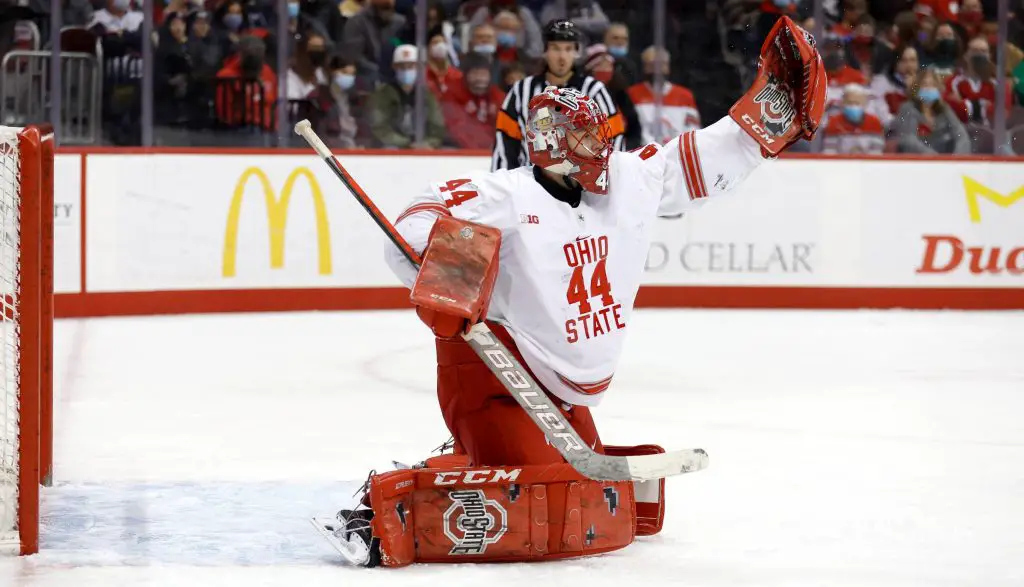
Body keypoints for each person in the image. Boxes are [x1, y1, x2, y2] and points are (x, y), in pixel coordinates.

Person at [314, 16, 826, 569]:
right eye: (585, 134)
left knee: (585, 488)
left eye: (598, 131)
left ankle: (468, 459)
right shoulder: (500, 196)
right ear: (551, 144)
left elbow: (699, 156)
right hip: (495, 380)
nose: (599, 143)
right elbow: (414, 221)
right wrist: (451, 272)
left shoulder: (629, 180)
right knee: (557, 500)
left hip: (560, 389)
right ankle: (380, 510)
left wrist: (773, 113)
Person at [492, 19, 626, 170]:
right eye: (555, 48)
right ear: (545, 51)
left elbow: (614, 141)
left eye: (568, 49)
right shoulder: (521, 90)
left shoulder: (595, 91)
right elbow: (505, 144)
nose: (562, 57)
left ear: (576, 52)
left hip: (582, 188)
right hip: (531, 184)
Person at [369, 44, 445, 149]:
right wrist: (406, 144)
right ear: (394, 67)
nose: (406, 70)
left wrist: (429, 143)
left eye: (411, 66)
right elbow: (379, 127)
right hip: (393, 147)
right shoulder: (382, 94)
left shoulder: (426, 94)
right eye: (401, 66)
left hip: (423, 147)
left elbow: (437, 126)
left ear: (419, 67)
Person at [627, 46, 701, 145]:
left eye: (661, 65)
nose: (657, 69)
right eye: (652, 65)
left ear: (668, 67)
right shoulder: (632, 94)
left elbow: (693, 131)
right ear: (644, 67)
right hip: (641, 155)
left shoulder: (685, 96)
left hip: (676, 154)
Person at [891, 66, 971, 154]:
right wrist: (934, 158)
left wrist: (956, 159)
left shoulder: (944, 109)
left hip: (944, 162)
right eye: (925, 85)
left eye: (933, 85)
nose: (929, 89)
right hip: (915, 161)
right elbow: (909, 140)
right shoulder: (907, 108)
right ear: (917, 88)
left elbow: (961, 134)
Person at [822, 83, 885, 154]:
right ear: (843, 103)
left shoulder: (874, 122)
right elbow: (829, 152)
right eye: (850, 103)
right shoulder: (834, 122)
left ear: (865, 103)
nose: (853, 106)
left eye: (857, 103)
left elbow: (877, 152)